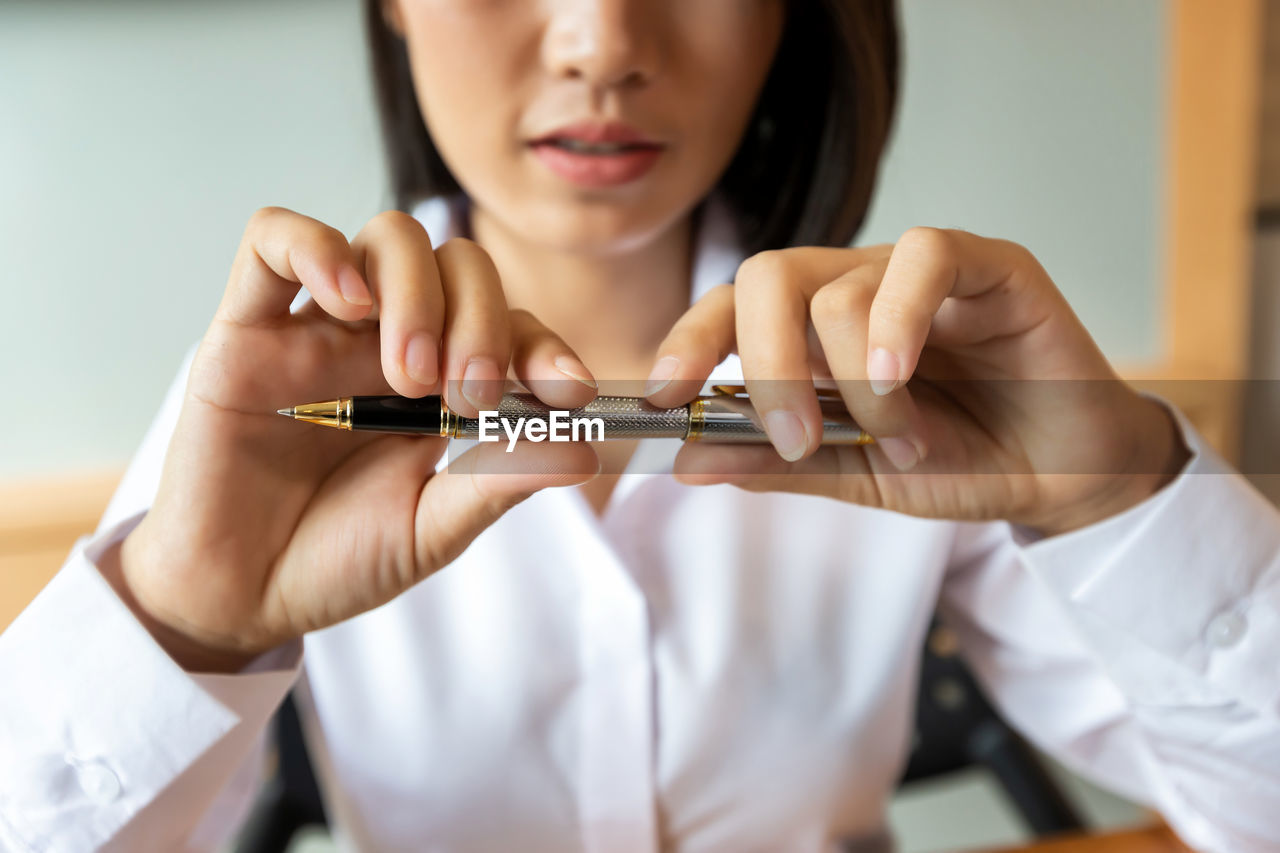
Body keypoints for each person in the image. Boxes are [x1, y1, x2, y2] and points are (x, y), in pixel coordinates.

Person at [2, 1, 1278, 851]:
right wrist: (181, 622)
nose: (601, 41)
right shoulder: (267, 400)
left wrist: (1118, 492)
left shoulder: (903, 374)